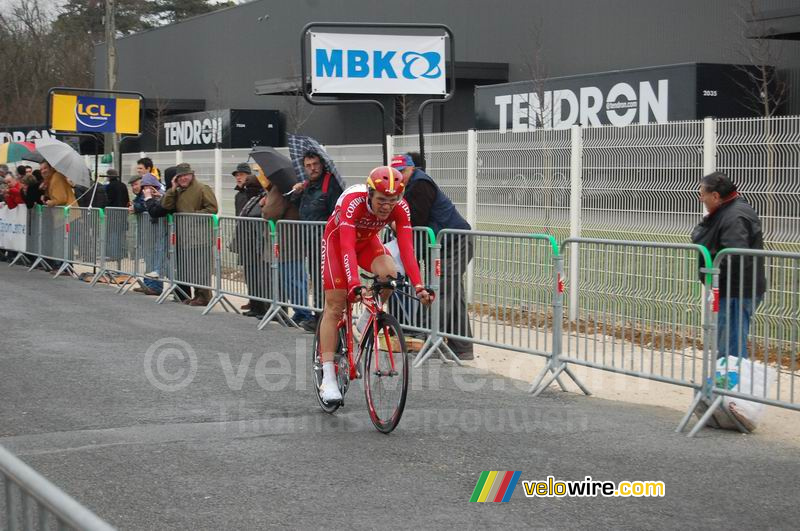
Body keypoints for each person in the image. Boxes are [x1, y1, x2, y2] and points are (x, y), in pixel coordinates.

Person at [317, 167, 433, 403]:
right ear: (369, 193)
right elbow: (347, 247)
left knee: (391, 273)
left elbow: (407, 250)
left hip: (367, 242)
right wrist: (354, 284)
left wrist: (419, 286)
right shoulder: (353, 201)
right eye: (381, 199)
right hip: (338, 244)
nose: (387, 206)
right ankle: (328, 377)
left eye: (392, 200)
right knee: (335, 305)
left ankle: (368, 318)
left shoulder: (401, 208)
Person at [391, 152, 475, 360]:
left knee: (440, 291)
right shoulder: (408, 187)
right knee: (452, 293)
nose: (399, 177)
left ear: (411, 168)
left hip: (454, 243)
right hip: (444, 244)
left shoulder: (420, 184)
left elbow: (415, 220)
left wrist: (394, 224)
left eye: (402, 172)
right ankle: (462, 347)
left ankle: (426, 338)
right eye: (395, 173)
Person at [691, 172, 766, 359]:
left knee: (731, 349)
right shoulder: (727, 210)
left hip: (736, 292)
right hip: (731, 290)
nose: (701, 198)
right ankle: (725, 383)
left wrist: (714, 274)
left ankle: (729, 386)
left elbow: (735, 255)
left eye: (702, 194)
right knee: (727, 344)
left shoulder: (735, 215)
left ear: (715, 196)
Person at [288, 151, 345, 331]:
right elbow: (300, 208)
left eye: (315, 164)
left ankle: (326, 318)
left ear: (322, 164)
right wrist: (297, 193)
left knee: (327, 281)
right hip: (311, 241)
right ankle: (320, 316)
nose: (312, 168)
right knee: (317, 279)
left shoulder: (331, 184)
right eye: (308, 165)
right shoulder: (307, 185)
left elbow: (337, 213)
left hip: (326, 242)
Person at [160, 163, 218, 306]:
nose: (183, 178)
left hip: (200, 236)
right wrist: (172, 189)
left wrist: (193, 215)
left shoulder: (202, 188)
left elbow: (212, 209)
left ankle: (204, 296)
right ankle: (197, 295)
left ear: (192, 175)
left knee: (201, 268)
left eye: (186, 175)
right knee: (191, 267)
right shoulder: (177, 191)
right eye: (180, 176)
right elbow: (166, 205)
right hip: (185, 236)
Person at [234, 174, 269, 318]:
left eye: (252, 187)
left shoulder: (262, 199)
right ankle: (255, 304)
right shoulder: (248, 199)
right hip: (247, 242)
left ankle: (261, 307)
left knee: (259, 277)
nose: (249, 190)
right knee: (250, 276)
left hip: (257, 244)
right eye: (248, 187)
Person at [231, 162, 255, 311]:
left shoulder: (251, 193)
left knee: (256, 270)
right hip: (242, 236)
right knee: (248, 271)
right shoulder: (238, 195)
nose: (238, 178)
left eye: (241, 175)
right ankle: (252, 299)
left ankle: (259, 302)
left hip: (252, 237)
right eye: (237, 175)